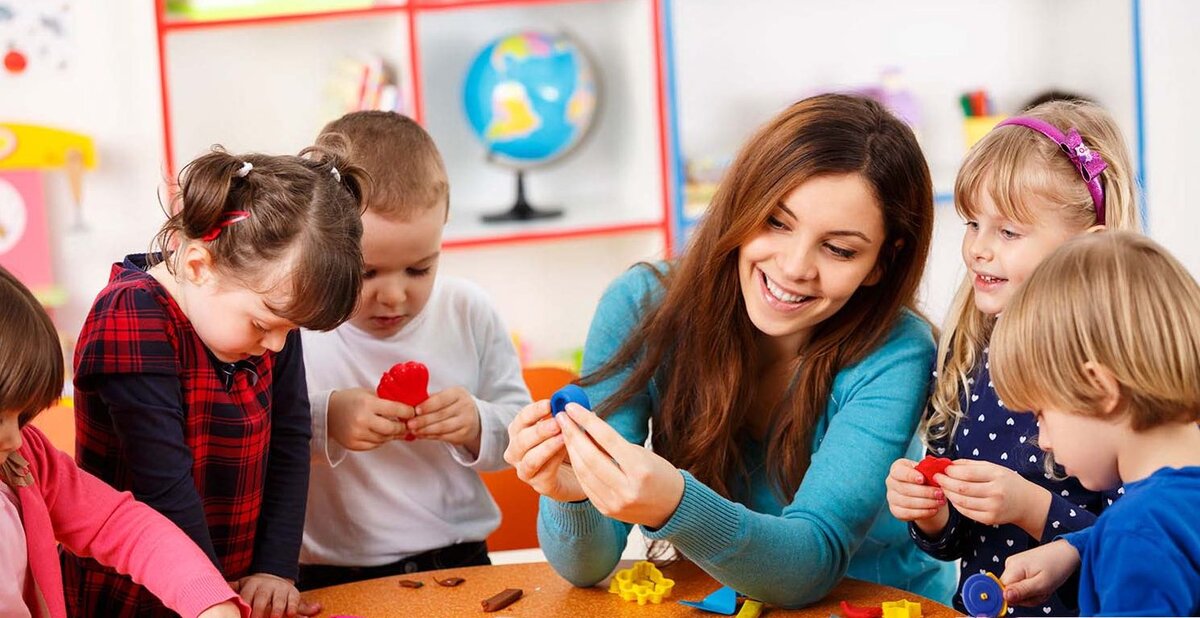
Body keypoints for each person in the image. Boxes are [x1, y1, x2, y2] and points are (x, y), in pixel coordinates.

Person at [505, 93, 954, 607]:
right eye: (777, 222)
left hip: (884, 605)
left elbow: (810, 563)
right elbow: (587, 566)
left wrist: (675, 503)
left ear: (881, 263)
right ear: (743, 203)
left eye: (839, 249)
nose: (794, 267)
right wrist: (573, 494)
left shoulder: (896, 351)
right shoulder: (642, 305)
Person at [62, 143, 366, 617]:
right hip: (140, 596)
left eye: (290, 330)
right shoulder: (132, 313)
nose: (277, 345)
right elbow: (163, 482)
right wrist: (211, 597)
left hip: (232, 589)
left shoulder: (271, 314)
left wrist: (275, 568)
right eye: (264, 324)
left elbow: (290, 438)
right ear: (198, 267)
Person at [884, 100, 1140, 615]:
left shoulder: (1122, 373)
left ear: (1087, 244)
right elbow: (956, 541)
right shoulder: (966, 354)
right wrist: (930, 512)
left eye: (1008, 232)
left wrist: (1031, 507)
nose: (978, 248)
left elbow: (1145, 549)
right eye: (972, 223)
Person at [297, 111, 530, 590]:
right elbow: (258, 439)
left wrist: (478, 423)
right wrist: (327, 419)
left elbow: (523, 434)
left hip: (458, 558)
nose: (394, 296)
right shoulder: (293, 324)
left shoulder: (467, 310)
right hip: (331, 572)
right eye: (366, 272)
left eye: (419, 269)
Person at [0, 265, 248, 618]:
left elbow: (120, 524)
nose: (14, 438)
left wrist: (208, 600)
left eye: (23, 417)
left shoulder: (27, 459)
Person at [991, 232, 1200, 616]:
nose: (1043, 440)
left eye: (1042, 414)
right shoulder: (1167, 514)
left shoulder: (1136, 534)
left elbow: (1144, 540)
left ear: (1100, 389)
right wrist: (1077, 548)